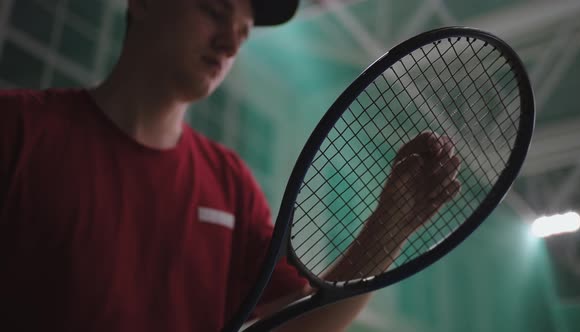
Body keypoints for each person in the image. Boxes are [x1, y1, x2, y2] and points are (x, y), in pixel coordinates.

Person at [0, 0, 460, 331]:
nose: (228, 42)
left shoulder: (230, 183)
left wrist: (389, 226)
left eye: (242, 33)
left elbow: (299, 322)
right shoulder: (17, 127)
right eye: (214, 12)